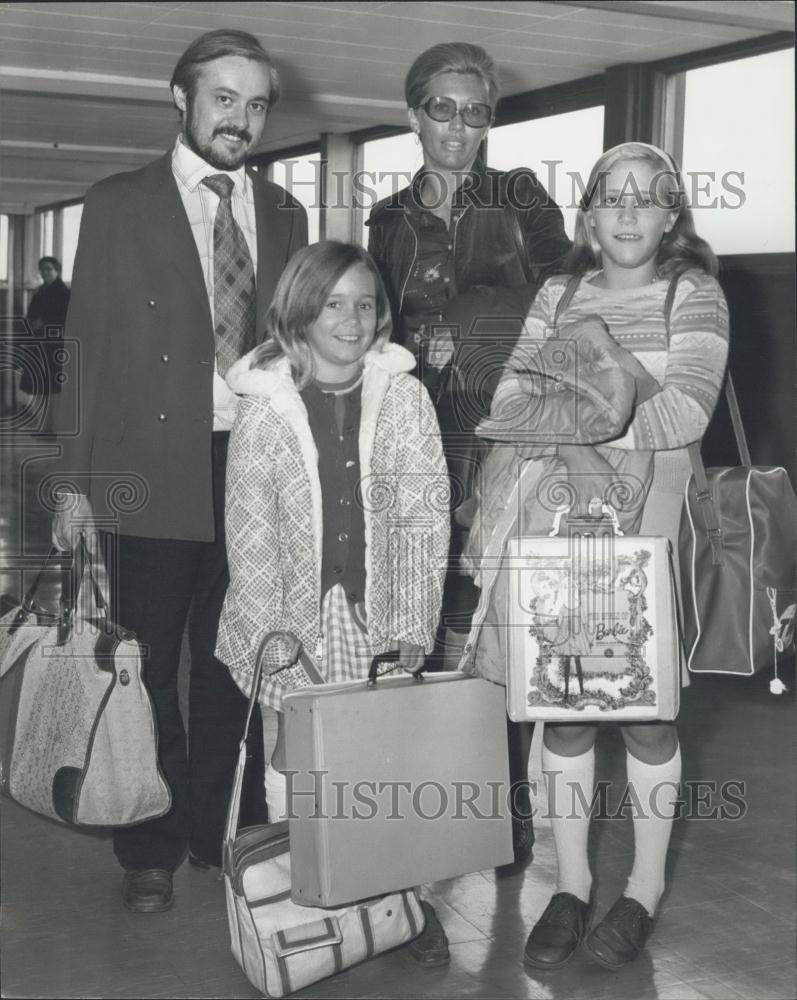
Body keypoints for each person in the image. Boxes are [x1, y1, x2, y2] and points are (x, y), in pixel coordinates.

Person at [50, 29, 308, 914]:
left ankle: (218, 831)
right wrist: (73, 485)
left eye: (257, 102)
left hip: (254, 474)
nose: (241, 117)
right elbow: (82, 345)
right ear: (181, 99)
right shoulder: (119, 201)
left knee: (237, 662)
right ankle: (149, 843)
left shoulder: (285, 216)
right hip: (147, 469)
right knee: (146, 664)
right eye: (223, 97)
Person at [463, 142, 729, 969]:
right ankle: (572, 885)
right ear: (585, 216)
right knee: (566, 705)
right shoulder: (558, 290)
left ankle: (642, 888)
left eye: (646, 199)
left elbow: (686, 410)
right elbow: (509, 398)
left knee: (645, 715)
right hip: (560, 511)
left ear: (671, 216)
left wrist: (584, 410)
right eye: (610, 197)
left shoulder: (695, 293)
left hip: (648, 515)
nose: (626, 212)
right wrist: (582, 451)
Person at [216, 240, 452, 967]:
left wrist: (413, 622)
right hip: (293, 621)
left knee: (381, 762)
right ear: (299, 312)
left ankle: (396, 901)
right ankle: (305, 899)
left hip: (376, 614)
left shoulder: (406, 399)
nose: (350, 320)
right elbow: (250, 542)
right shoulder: (263, 413)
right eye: (332, 304)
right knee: (296, 763)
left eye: (364, 304)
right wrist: (275, 649)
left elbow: (424, 512)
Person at [367, 41, 571, 866]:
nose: (460, 126)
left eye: (476, 110)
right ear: (414, 114)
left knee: (508, 625)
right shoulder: (387, 219)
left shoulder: (520, 198)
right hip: (420, 437)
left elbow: (568, 299)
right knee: (425, 618)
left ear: (491, 118)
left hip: (513, 436)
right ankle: (428, 801)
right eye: (442, 108)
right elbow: (369, 329)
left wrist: (482, 337)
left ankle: (510, 816)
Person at [22, 256, 71, 397]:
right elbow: (31, 313)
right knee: (38, 382)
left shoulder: (64, 293)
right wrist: (31, 322)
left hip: (54, 343)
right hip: (38, 340)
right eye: (42, 269)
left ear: (57, 271)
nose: (45, 272)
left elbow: (66, 317)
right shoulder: (40, 291)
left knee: (52, 383)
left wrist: (44, 321)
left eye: (48, 269)